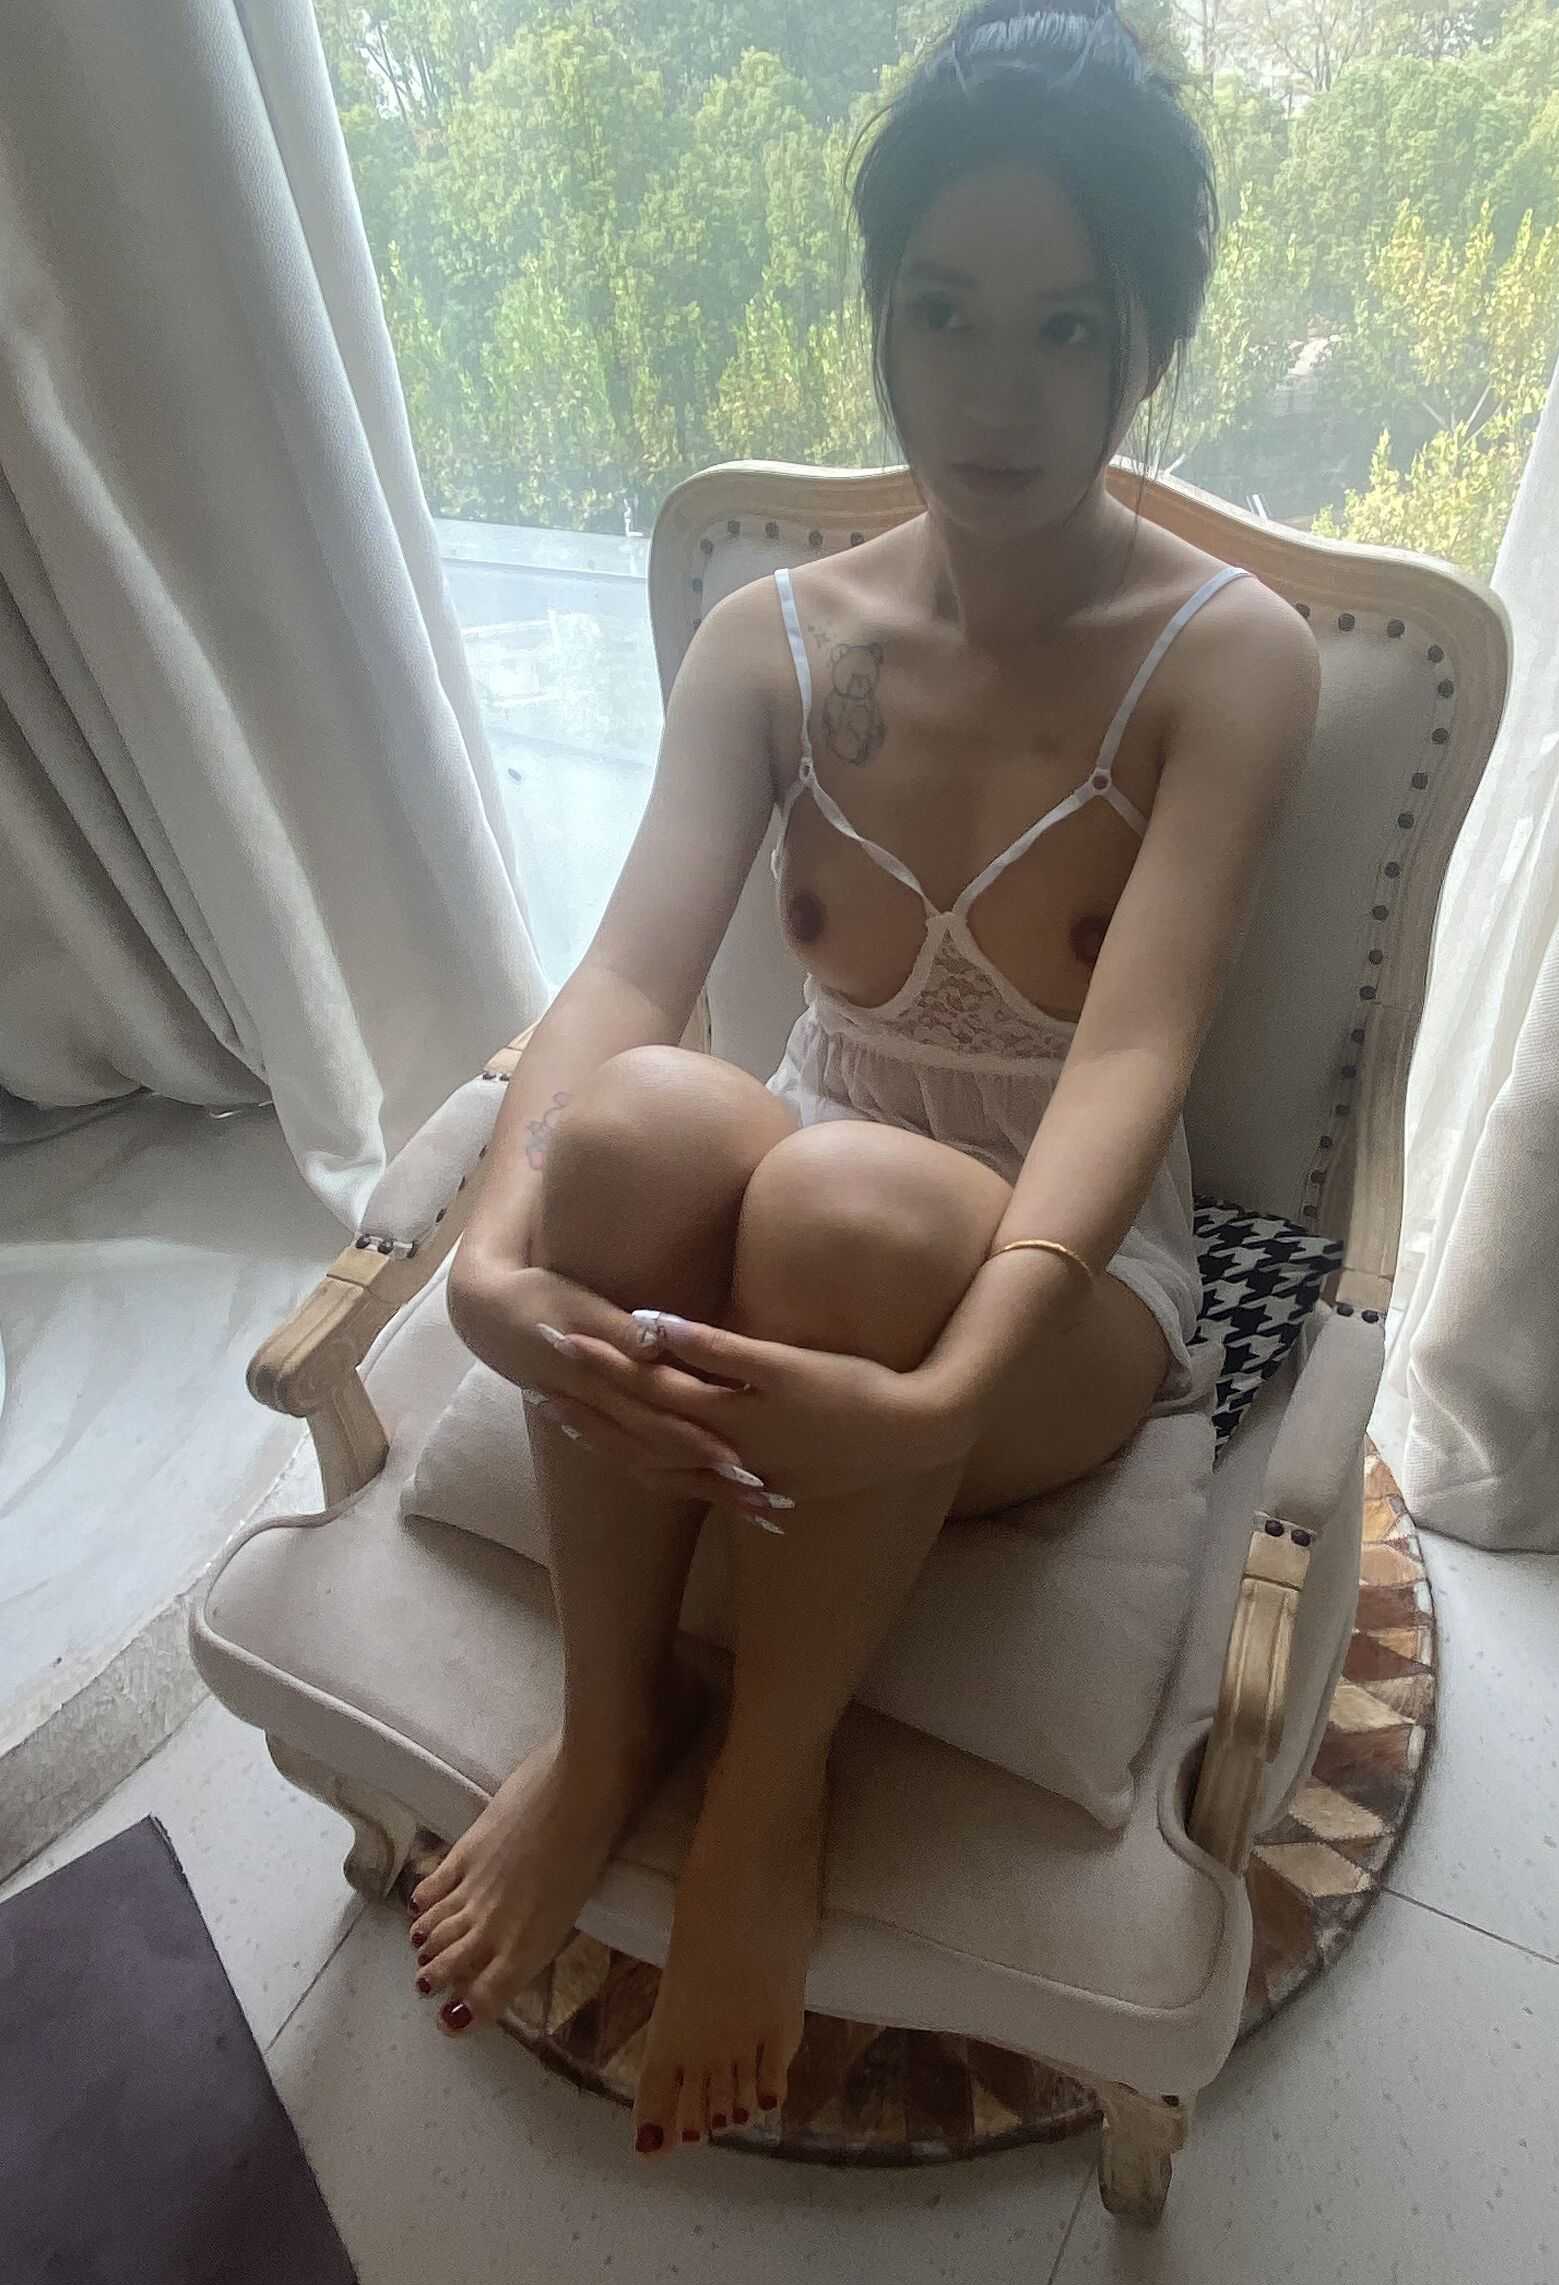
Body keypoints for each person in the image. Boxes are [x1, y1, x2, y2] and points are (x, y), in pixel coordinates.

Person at [408, 0, 1319, 2160]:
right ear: (881, 311)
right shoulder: (775, 639)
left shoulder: (1232, 658)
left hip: (1065, 1298)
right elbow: (627, 979)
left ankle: (768, 1786)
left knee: (837, 1208)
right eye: (942, 312)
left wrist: (944, 1394)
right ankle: (611, 1728)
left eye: (1064, 326)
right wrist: (487, 1261)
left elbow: (1135, 1054)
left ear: (1150, 340)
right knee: (639, 1130)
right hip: (815, 1190)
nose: (995, 394)